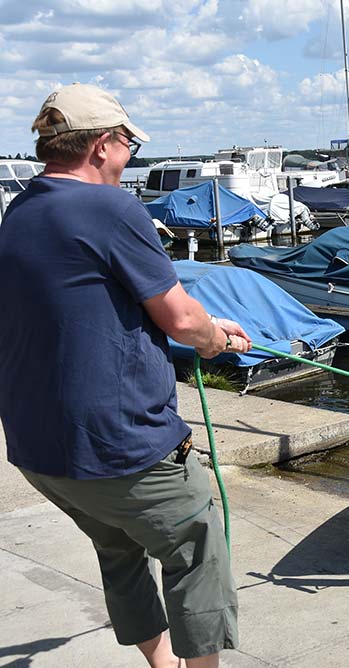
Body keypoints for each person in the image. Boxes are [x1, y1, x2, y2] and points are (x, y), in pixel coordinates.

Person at [0, 83, 250, 668]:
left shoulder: (22, 209)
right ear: (104, 146)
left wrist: (203, 325)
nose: (130, 157)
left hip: (40, 449)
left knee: (118, 549)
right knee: (197, 542)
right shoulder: (111, 206)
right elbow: (182, 319)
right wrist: (215, 340)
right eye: (129, 145)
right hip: (119, 444)